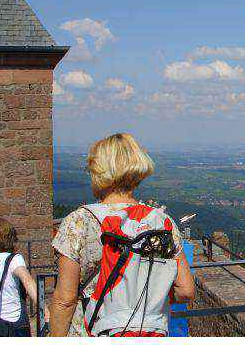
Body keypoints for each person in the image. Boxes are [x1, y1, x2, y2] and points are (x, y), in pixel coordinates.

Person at [50, 133, 195, 337]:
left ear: (99, 171)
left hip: (92, 331)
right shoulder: (163, 222)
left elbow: (64, 300)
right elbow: (186, 291)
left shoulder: (79, 221)